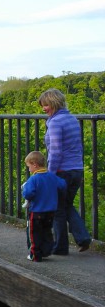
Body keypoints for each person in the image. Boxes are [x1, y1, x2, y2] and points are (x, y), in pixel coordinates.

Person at [39, 88, 92, 254]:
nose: (43, 109)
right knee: (66, 204)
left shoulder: (55, 122)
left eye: (46, 105)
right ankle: (83, 238)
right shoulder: (71, 119)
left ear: (53, 103)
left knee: (58, 209)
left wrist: (50, 174)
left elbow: (55, 151)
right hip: (76, 170)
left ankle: (60, 247)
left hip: (62, 171)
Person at [22, 151, 67, 262]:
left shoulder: (33, 179)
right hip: (50, 211)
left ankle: (35, 255)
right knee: (46, 231)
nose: (29, 169)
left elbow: (28, 194)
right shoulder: (51, 176)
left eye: (29, 166)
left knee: (34, 234)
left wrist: (25, 188)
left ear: (35, 165)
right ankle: (46, 251)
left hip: (36, 211)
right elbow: (63, 184)